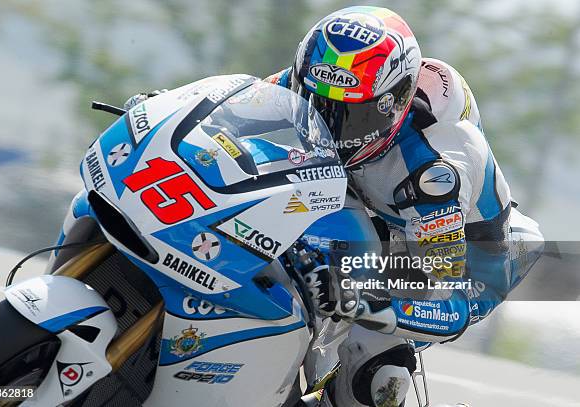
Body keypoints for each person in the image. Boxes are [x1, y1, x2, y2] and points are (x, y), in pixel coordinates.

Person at [124, 7, 544, 406]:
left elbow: (442, 294)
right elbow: (231, 114)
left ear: (393, 105)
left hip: (453, 259)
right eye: (316, 102)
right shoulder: (304, 84)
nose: (327, 126)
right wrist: (167, 113)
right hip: (358, 201)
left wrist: (358, 293)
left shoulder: (432, 172)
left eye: (352, 116)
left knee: (373, 365)